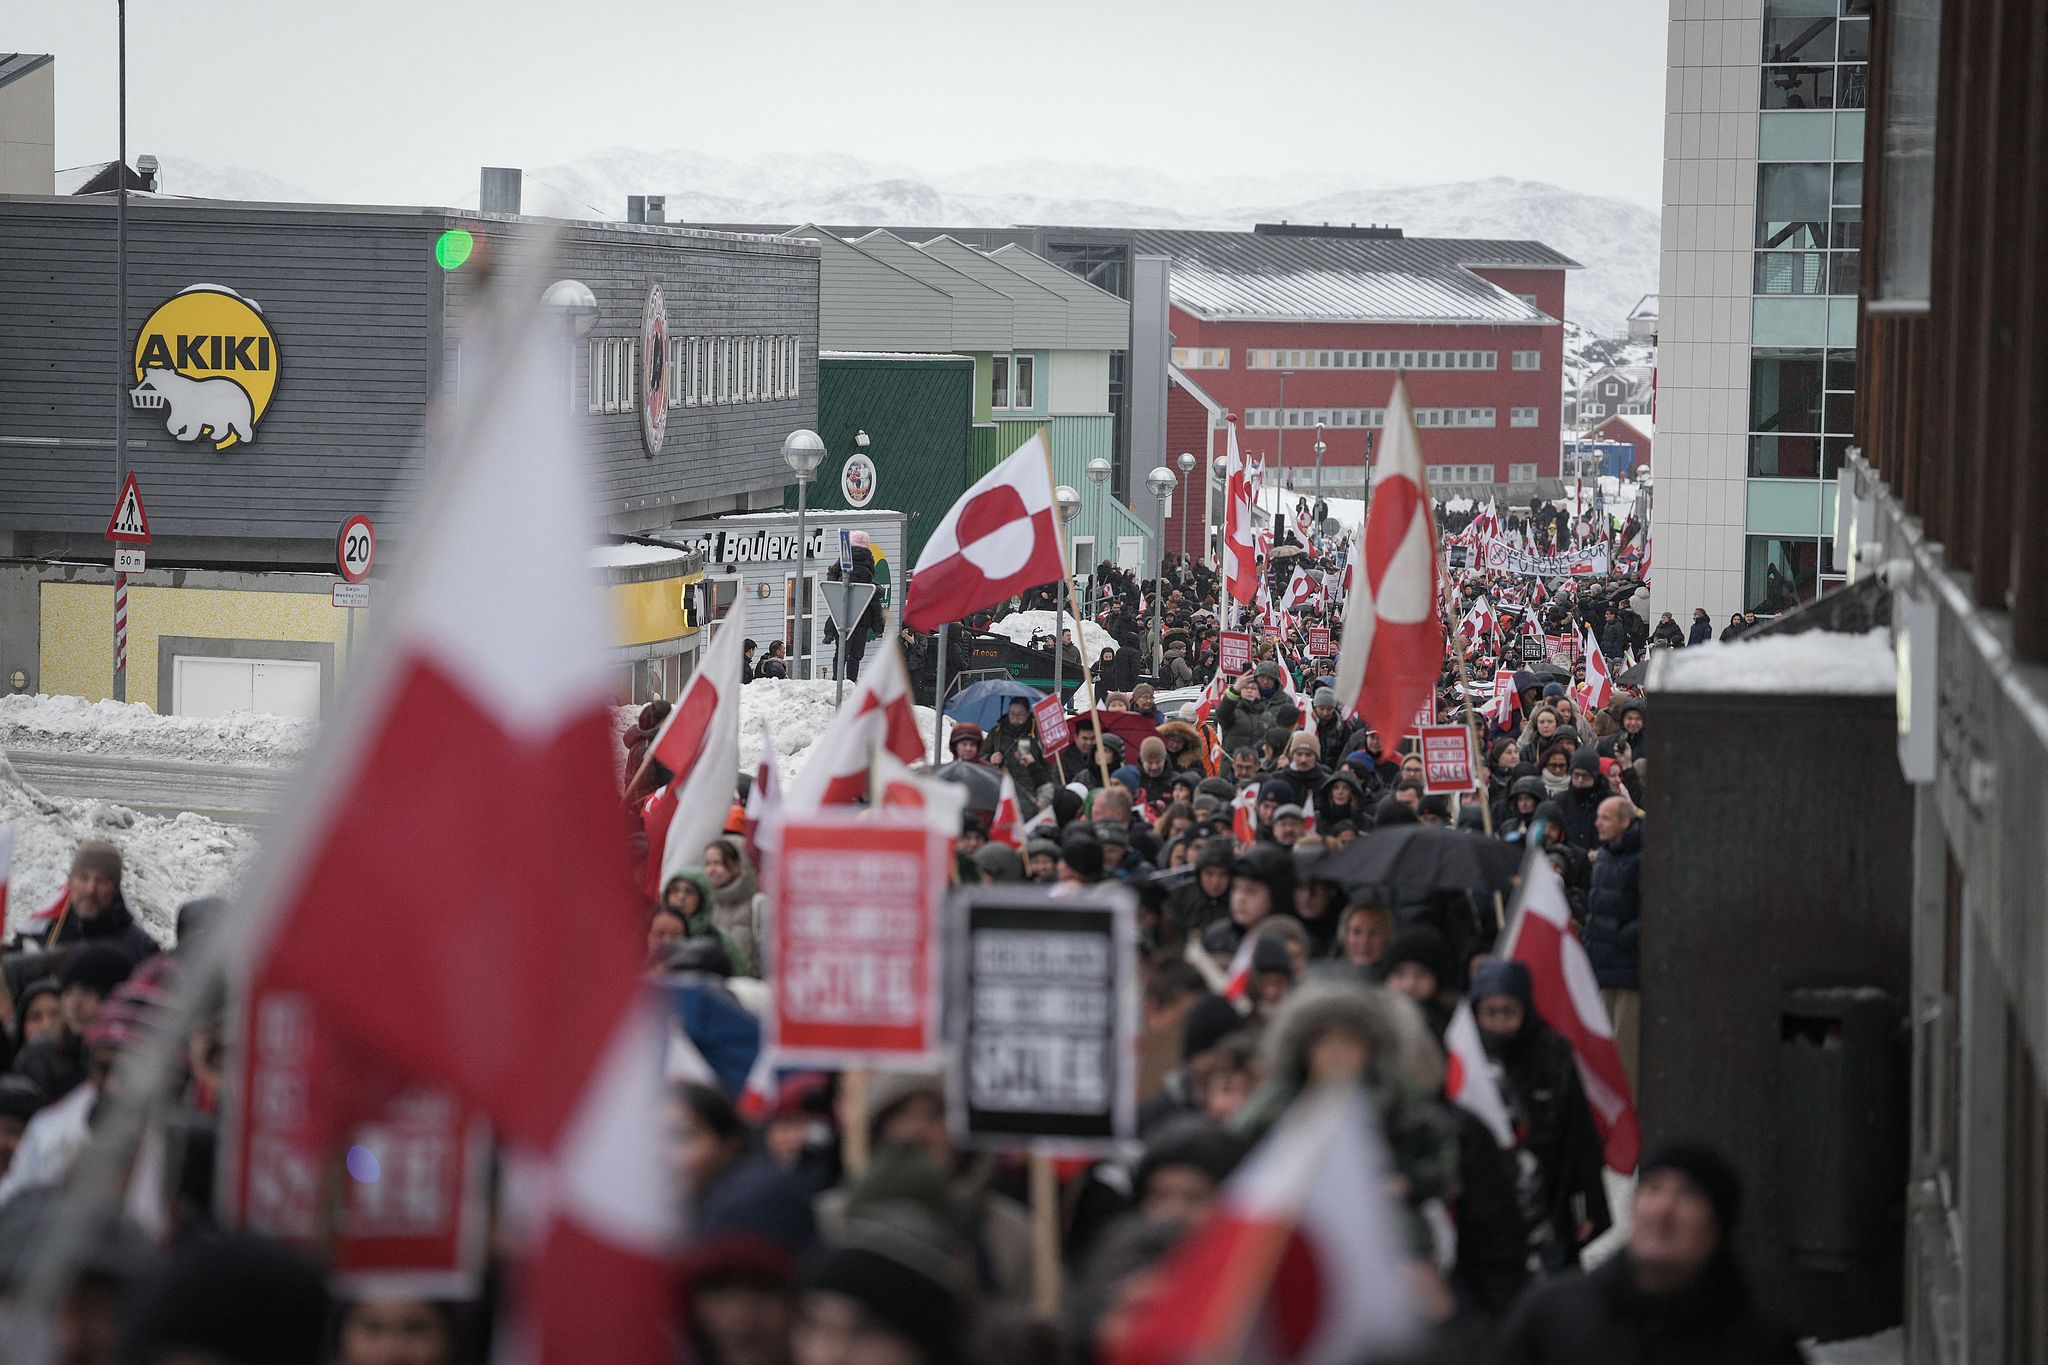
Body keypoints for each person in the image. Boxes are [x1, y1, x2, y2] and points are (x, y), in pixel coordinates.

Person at [1493, 1142, 1806, 1364]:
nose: (1663, 1209)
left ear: (1718, 1226)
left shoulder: (1761, 1348)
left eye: (1688, 1193)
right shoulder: (1552, 1315)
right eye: (1653, 1188)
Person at [1472, 958, 1612, 1269]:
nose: (1498, 1023)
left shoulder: (1551, 1055)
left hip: (1549, 1200)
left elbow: (1579, 1135)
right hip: (1485, 1206)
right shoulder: (1467, 1056)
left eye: (1508, 1012)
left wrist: (1588, 1205)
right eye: (1489, 1013)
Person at [1585, 795, 1644, 1092]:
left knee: (1626, 1053)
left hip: (1628, 970)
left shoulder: (1642, 858)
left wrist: (1623, 935)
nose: (1598, 824)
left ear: (1625, 821)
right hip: (1603, 965)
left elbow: (1651, 910)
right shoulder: (1607, 854)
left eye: (1605, 818)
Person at [823, 530, 882, 683]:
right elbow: (876, 606)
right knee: (856, 654)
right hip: (862, 614)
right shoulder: (869, 559)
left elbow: (833, 571)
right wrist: (878, 628)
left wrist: (835, 584)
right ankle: (851, 681)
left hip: (844, 603)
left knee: (840, 647)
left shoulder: (845, 558)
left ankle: (837, 679)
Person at [703, 838, 764, 978]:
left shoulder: (757, 903)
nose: (711, 870)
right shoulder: (703, 903)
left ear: (736, 865)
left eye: (718, 863)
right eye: (707, 864)